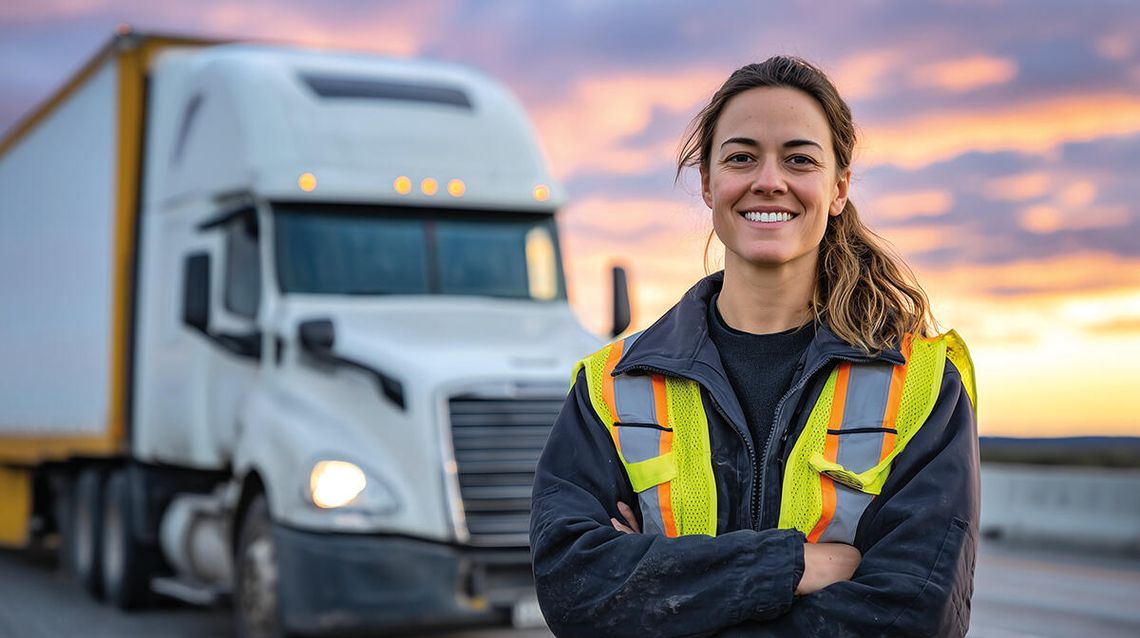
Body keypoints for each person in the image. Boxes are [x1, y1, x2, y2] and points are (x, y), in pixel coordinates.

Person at [529, 56, 979, 637]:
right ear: (709, 183)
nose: (769, 179)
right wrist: (791, 566)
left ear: (838, 188)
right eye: (742, 157)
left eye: (799, 159)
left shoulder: (922, 383)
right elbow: (574, 590)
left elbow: (914, 613)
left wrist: (663, 582)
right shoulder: (613, 384)